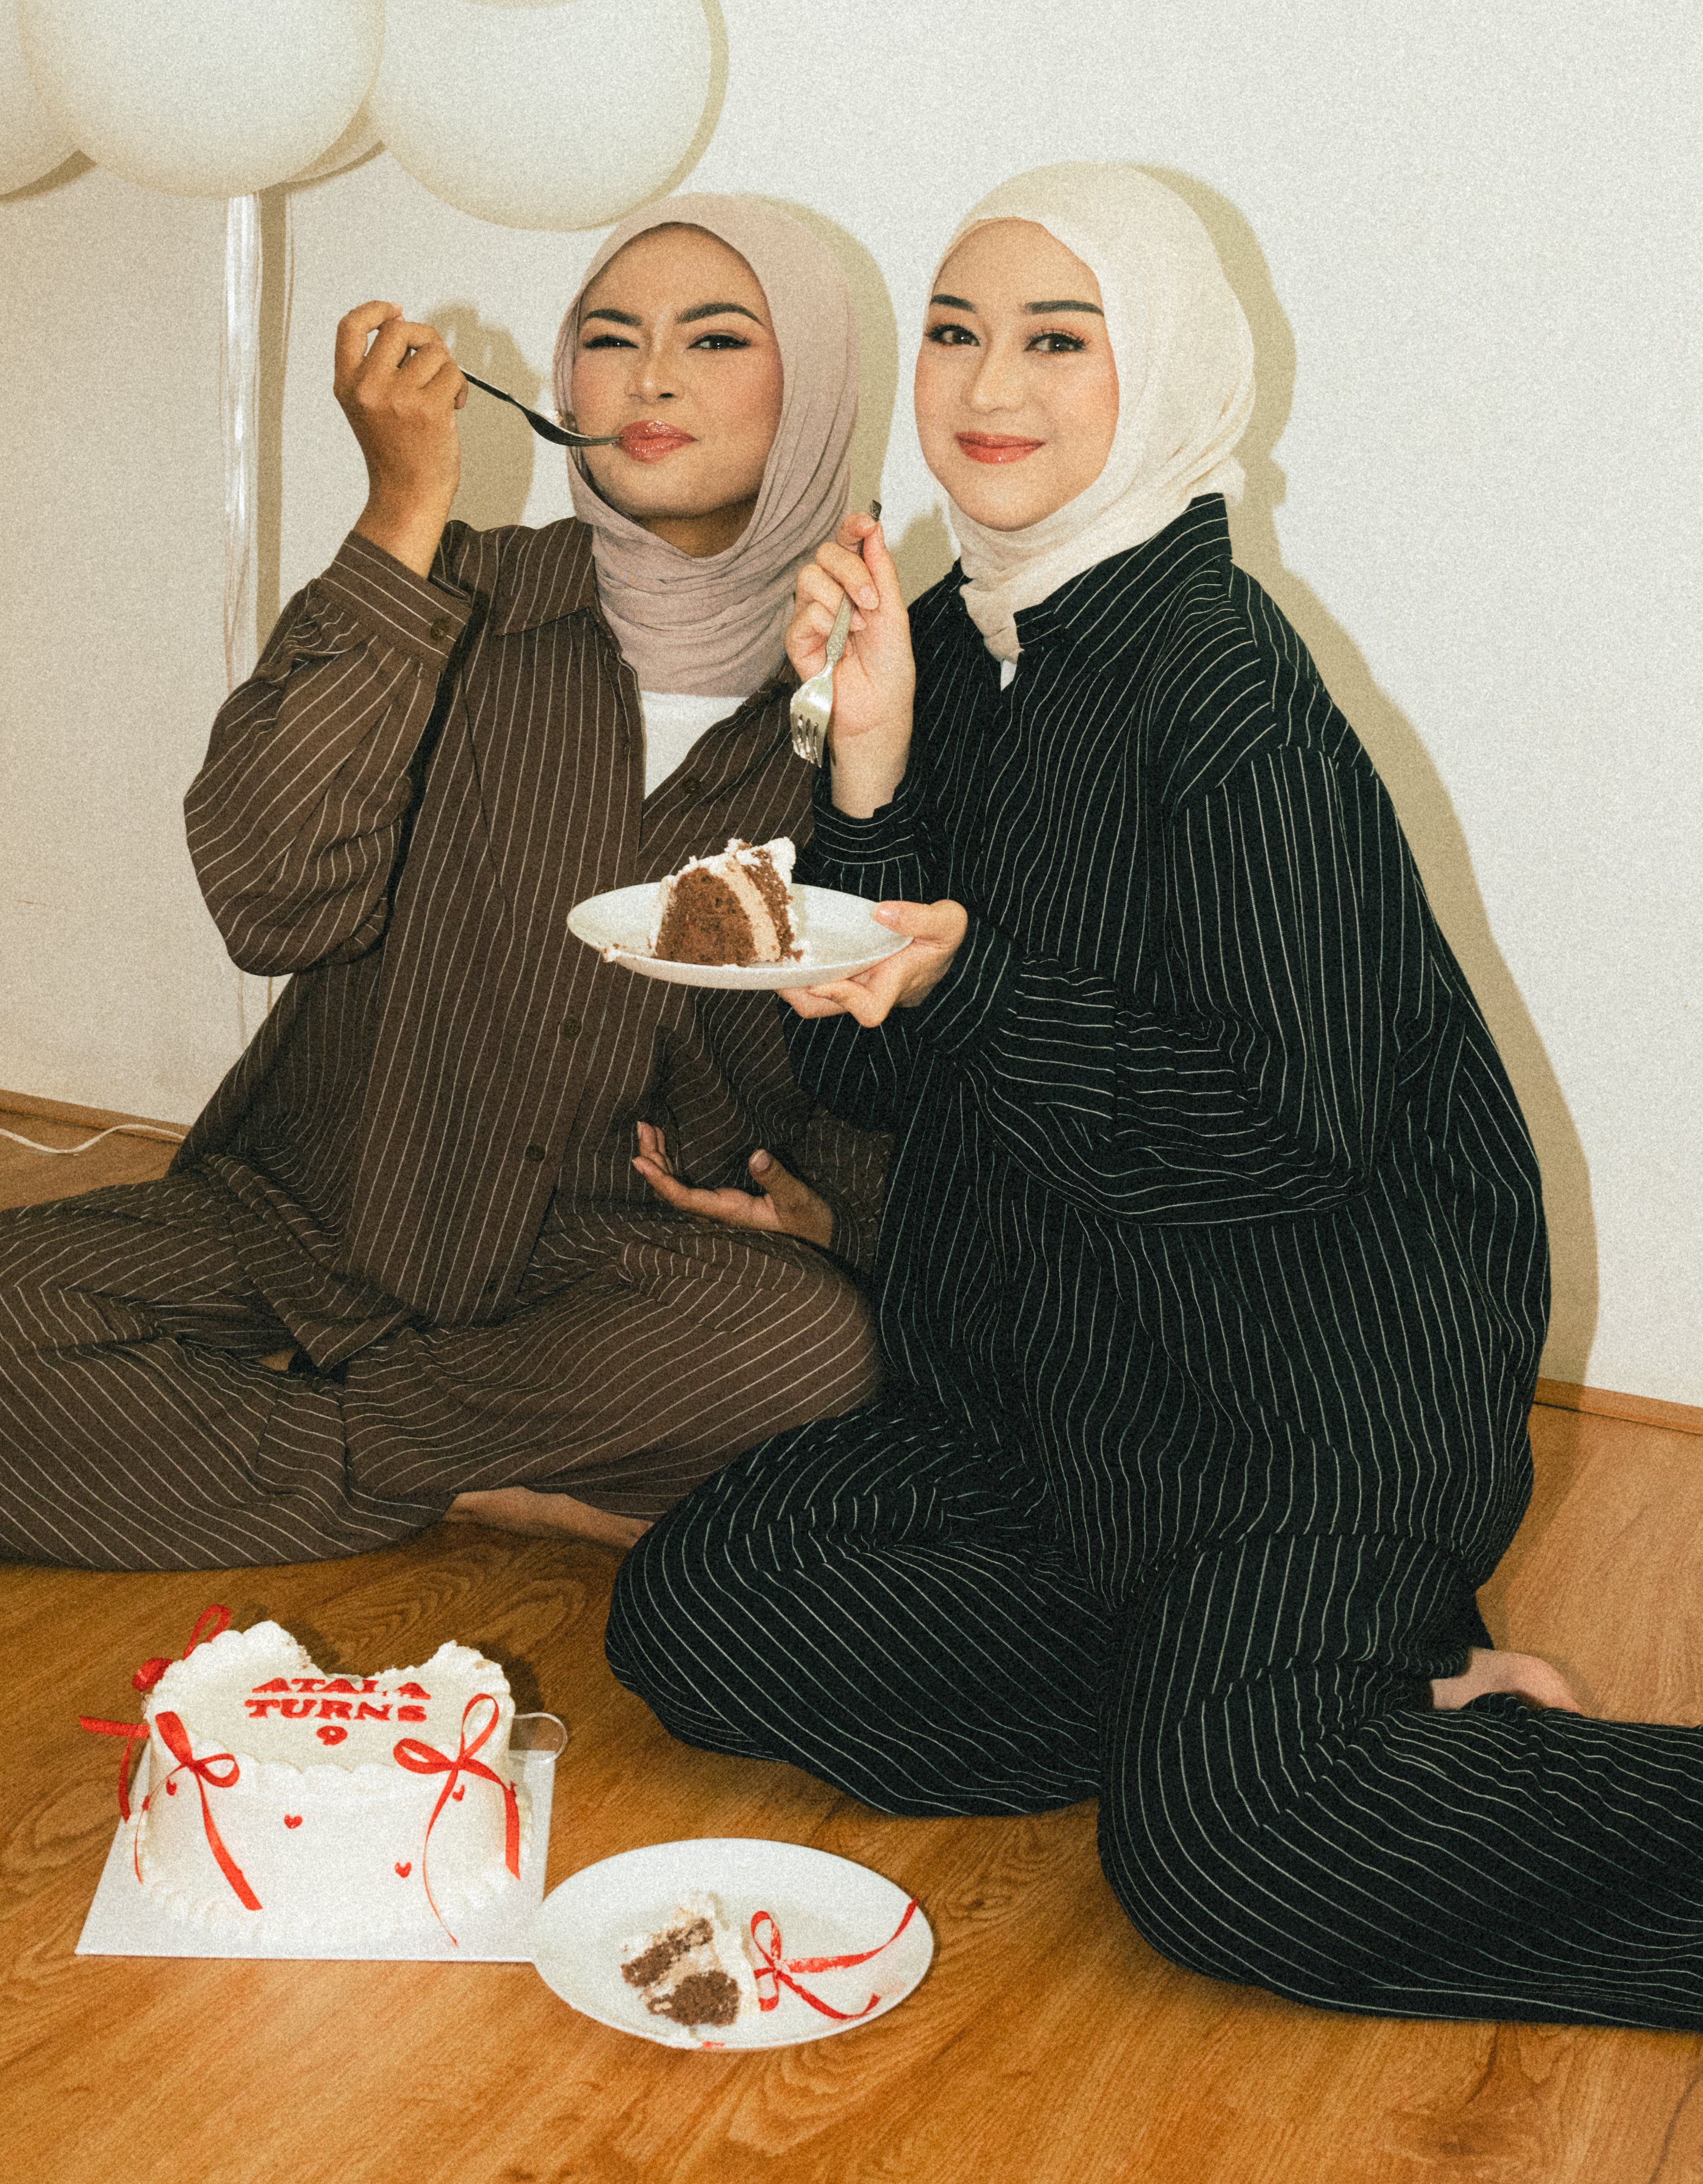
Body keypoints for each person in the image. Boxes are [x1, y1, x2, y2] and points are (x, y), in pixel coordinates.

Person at [609, 164, 1703, 2032]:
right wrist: (863, 769)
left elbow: (1281, 1138)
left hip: (1290, 1422)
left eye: (1055, 336)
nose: (983, 383)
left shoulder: (1229, 693)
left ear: (1167, 371)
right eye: (953, 331)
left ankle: (1294, 1721)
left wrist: (977, 978)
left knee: (1215, 1859)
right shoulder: (946, 645)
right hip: (1052, 1414)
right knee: (702, 1601)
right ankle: (1317, 1717)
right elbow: (845, 1063)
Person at [0, 195, 887, 1571]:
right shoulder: (446, 589)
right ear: (563, 381)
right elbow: (270, 899)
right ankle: (480, 1477)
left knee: (812, 1352)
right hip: (317, 1216)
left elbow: (899, 1045)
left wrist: (831, 1214)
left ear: (818, 388)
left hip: (605, 1269)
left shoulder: (873, 691)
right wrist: (404, 507)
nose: (652, 377)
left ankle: (297, 1453)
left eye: (716, 340)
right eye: (611, 338)